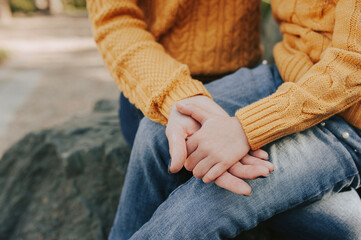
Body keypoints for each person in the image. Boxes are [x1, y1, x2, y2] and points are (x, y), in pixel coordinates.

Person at [87, 0, 361, 239]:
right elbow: (113, 20)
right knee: (157, 134)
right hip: (161, 78)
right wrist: (182, 99)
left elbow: (352, 61)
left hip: (338, 105)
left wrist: (245, 128)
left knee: (204, 206)